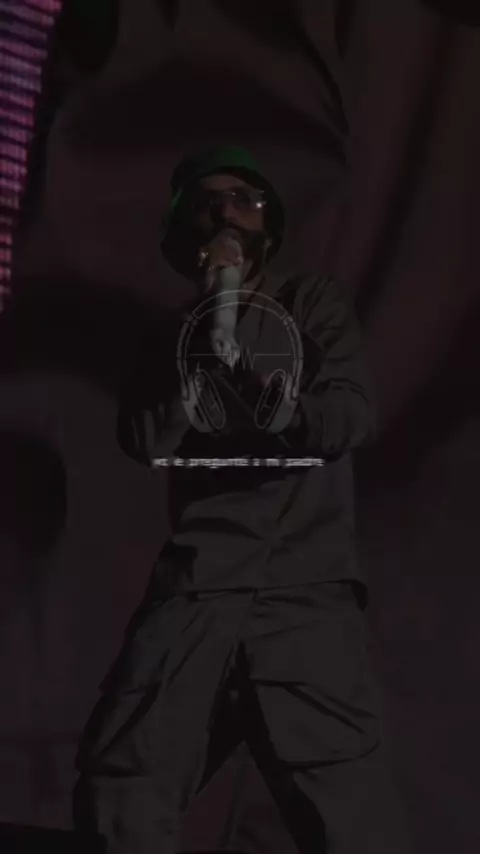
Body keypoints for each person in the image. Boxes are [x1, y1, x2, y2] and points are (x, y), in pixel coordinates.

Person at [72, 145, 413, 854]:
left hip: (302, 590)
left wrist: (274, 396)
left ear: (269, 226)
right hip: (196, 590)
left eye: (245, 199)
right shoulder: (171, 334)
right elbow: (146, 439)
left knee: (349, 809)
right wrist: (205, 332)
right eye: (208, 201)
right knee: (123, 786)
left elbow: (349, 415)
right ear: (183, 231)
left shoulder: (310, 302)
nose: (226, 211)